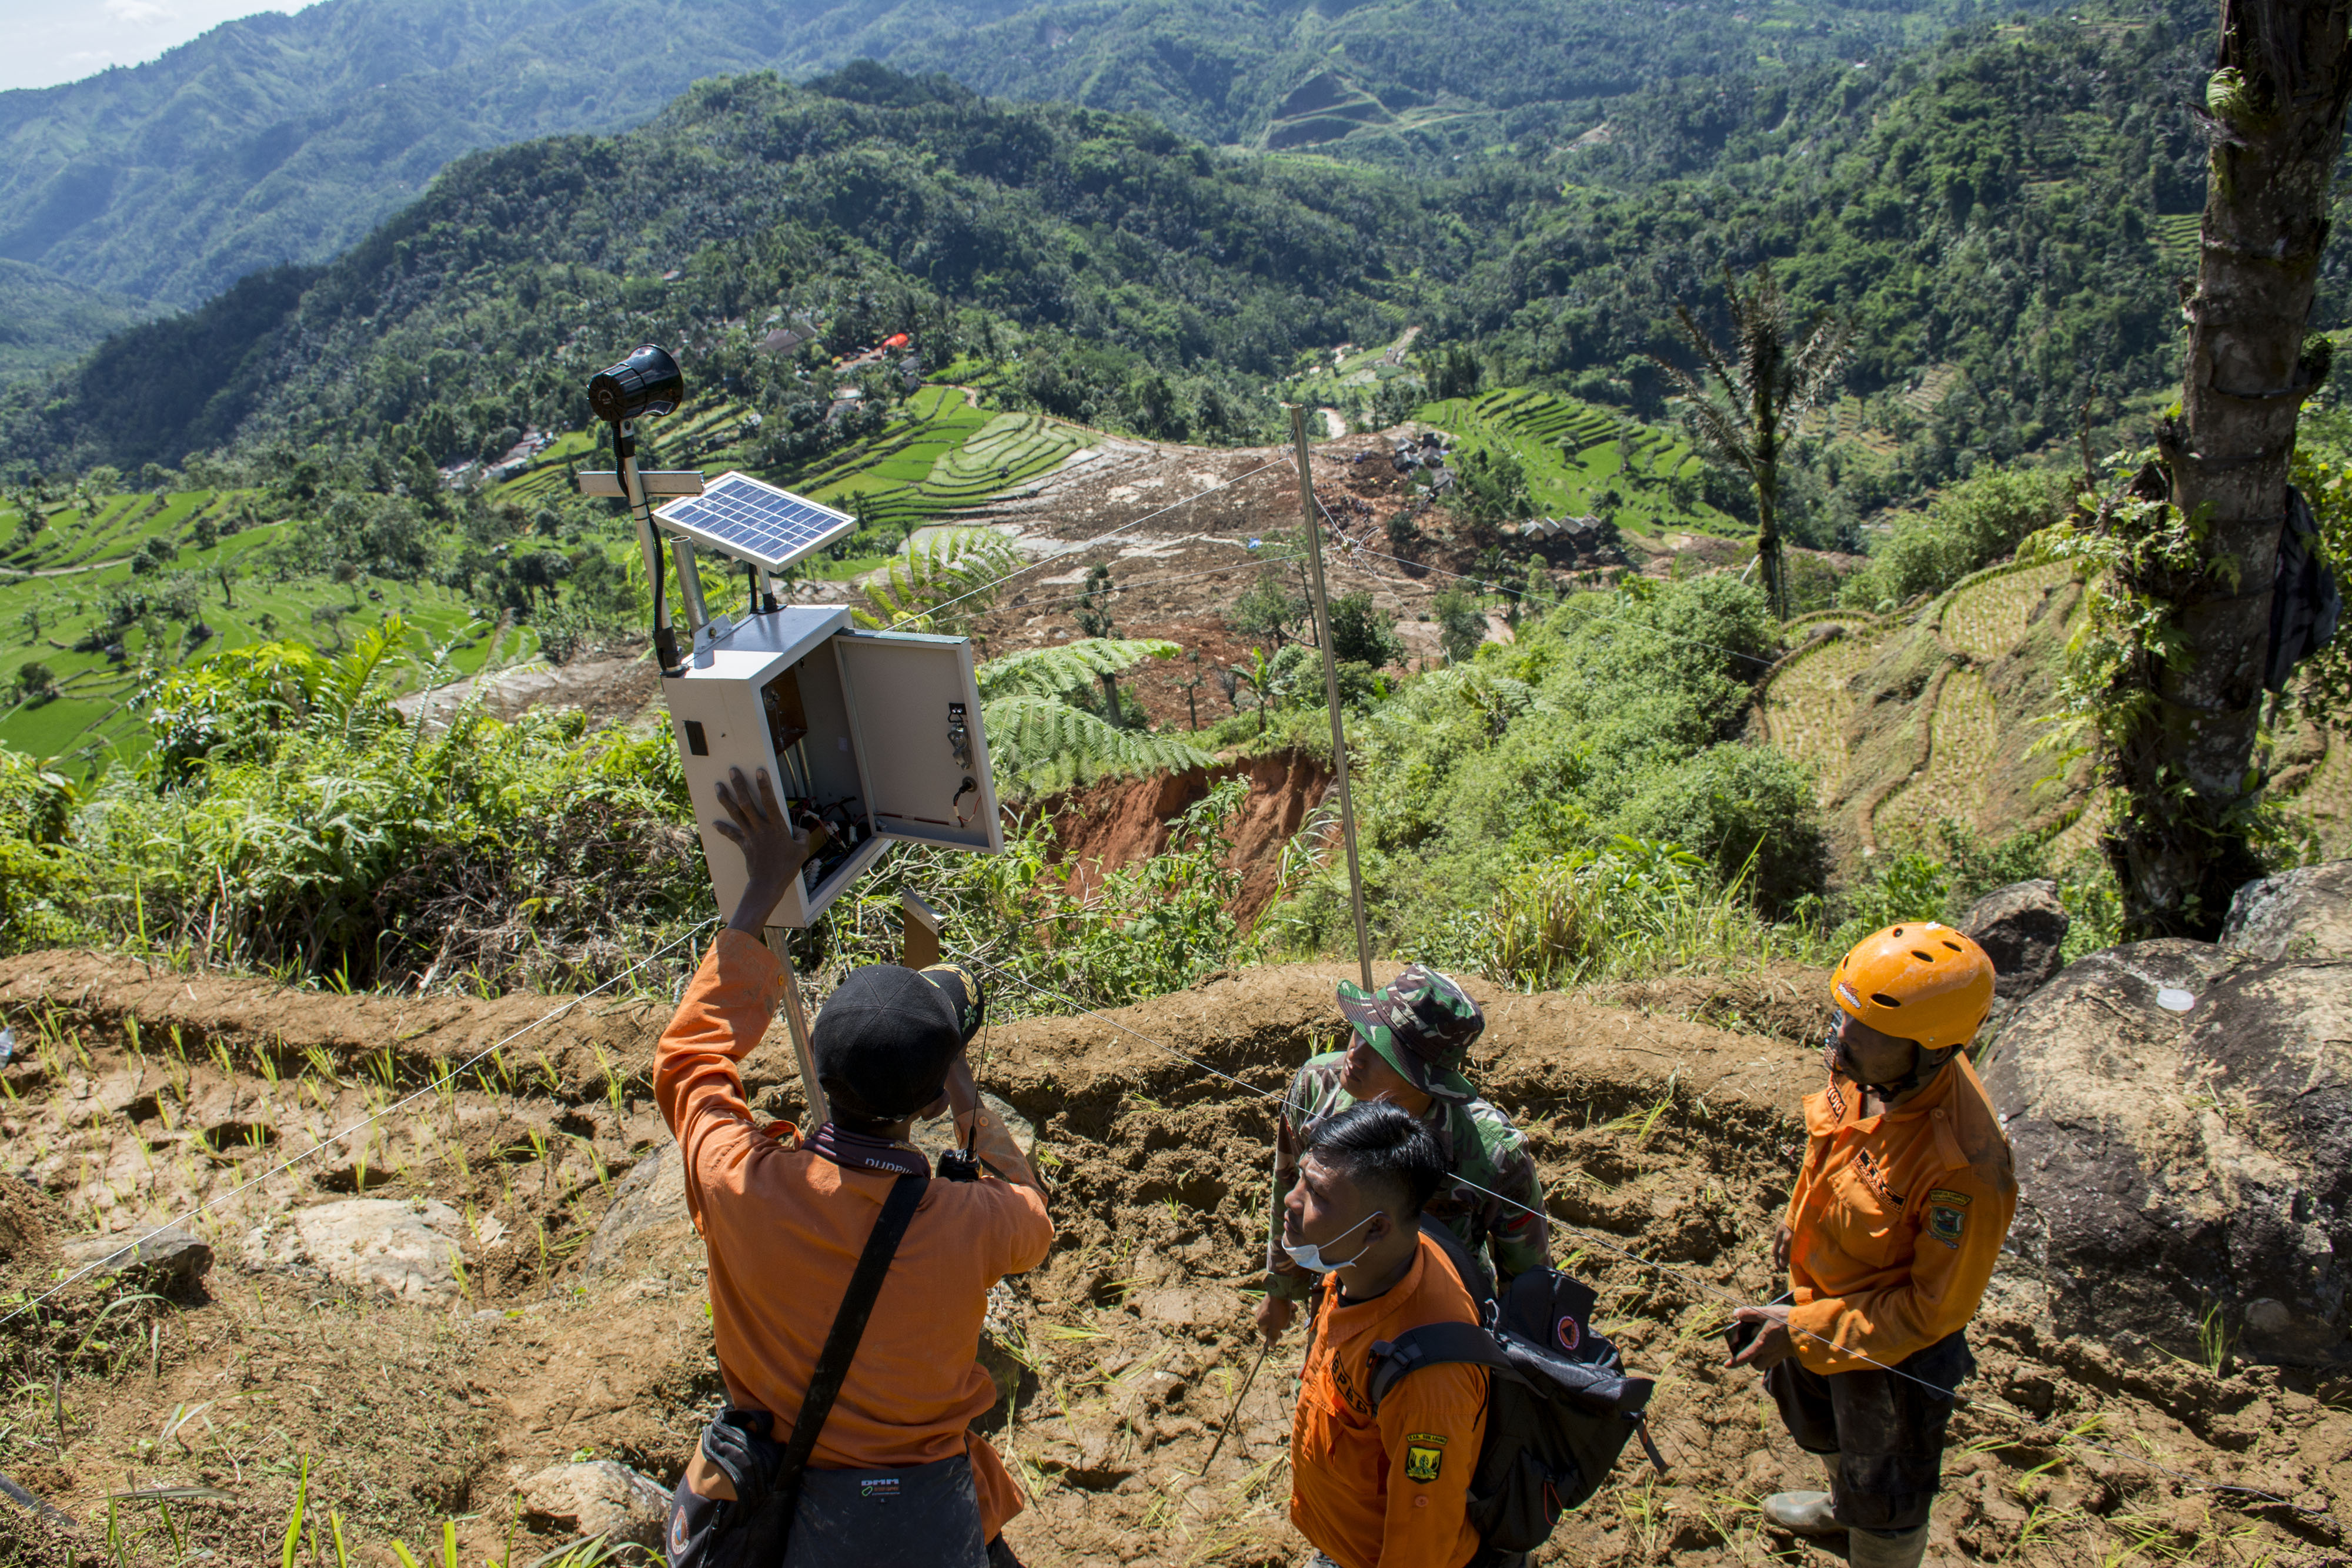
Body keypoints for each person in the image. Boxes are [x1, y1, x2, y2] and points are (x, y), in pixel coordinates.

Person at [654, 766, 1051, 1568]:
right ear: (929, 1099)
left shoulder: (744, 1184)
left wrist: (762, 889)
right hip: (928, 1514)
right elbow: (1033, 1213)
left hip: (794, 1501)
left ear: (818, 1070)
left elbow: (689, 1060)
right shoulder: (976, 1222)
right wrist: (965, 1088)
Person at [1727, 922, 2017, 1568]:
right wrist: (1798, 1212)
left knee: (1888, 1489)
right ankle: (1839, 1507)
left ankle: (1874, 1548)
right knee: (1821, 1424)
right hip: (1821, 1298)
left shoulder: (1965, 1168)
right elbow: (1829, 1141)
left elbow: (1930, 1312)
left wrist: (1803, 1330)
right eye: (1842, 1016)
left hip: (1891, 1351)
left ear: (1932, 1051)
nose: (1839, 1038)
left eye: (1864, 1032)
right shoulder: (1869, 1068)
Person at [1258, 965, 1545, 1343]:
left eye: (1382, 1052)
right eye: (1360, 1030)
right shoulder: (1318, 1089)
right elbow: (1289, 1189)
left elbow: (1528, 1282)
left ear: (1424, 1078)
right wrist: (1281, 1286)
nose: (1355, 1054)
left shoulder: (1493, 1152)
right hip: (1338, 1298)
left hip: (1443, 1321)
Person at [1285, 1101, 1493, 1568]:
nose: (1291, 1199)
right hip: (1342, 1541)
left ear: (1376, 1227)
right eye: (1301, 1177)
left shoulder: (1429, 1381)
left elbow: (1420, 1545)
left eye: (1316, 1194)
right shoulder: (1361, 1263)